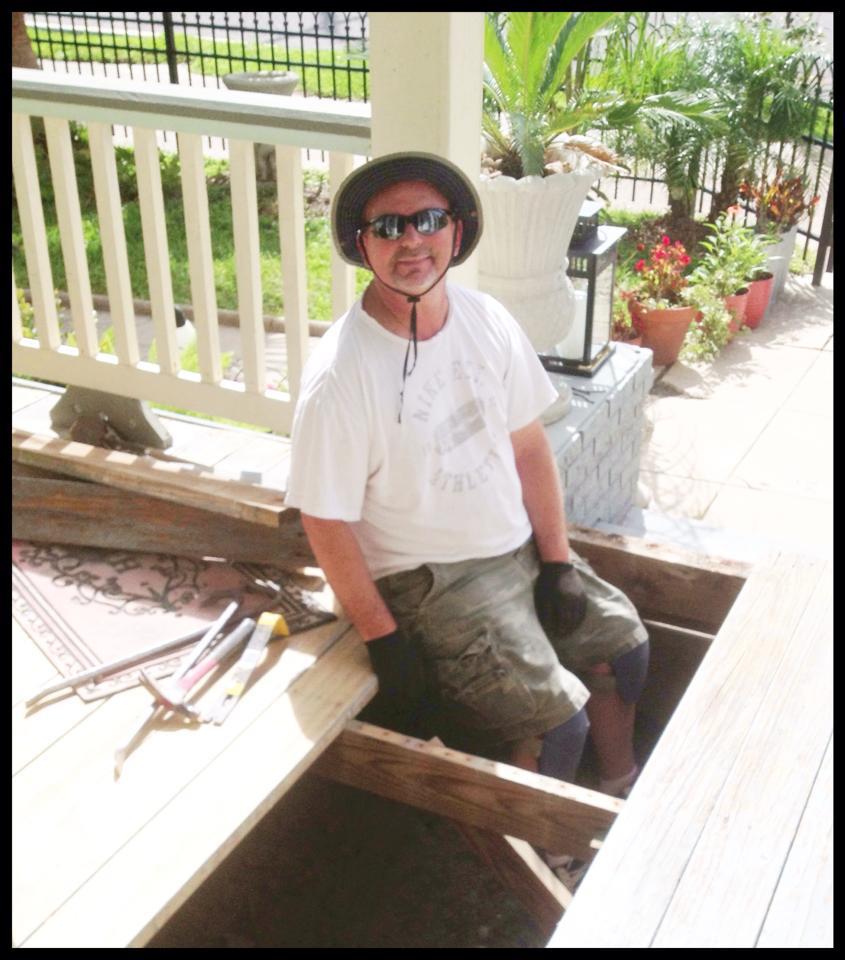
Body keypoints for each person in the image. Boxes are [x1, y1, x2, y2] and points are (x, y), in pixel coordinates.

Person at [285, 152, 649, 807]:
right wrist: (382, 636)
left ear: (457, 230)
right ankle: (543, 847)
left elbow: (528, 447)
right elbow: (324, 518)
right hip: (428, 583)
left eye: (427, 220)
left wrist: (557, 561)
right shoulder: (341, 376)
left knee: (622, 651)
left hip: (515, 552)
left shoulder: (486, 321)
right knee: (557, 725)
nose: (410, 241)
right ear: (359, 245)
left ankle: (619, 793)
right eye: (387, 227)